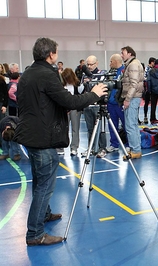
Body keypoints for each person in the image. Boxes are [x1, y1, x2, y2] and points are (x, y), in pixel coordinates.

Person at [13, 37, 108, 246]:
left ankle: (44, 214)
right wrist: (94, 94)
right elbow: (69, 101)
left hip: (31, 133)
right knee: (45, 186)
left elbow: (39, 103)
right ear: (51, 55)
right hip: (42, 137)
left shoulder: (28, 73)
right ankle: (35, 234)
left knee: (40, 181)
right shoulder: (48, 74)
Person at [80, 55, 107, 158]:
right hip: (87, 104)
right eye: (88, 64)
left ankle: (102, 148)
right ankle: (91, 147)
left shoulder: (102, 74)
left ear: (96, 63)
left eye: (91, 64)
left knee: (100, 129)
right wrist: (83, 84)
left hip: (98, 105)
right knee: (90, 128)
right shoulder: (84, 75)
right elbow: (81, 90)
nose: (89, 66)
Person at [120, 46, 144, 159]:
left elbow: (133, 84)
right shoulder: (132, 64)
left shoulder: (133, 65)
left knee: (130, 125)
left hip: (133, 98)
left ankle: (135, 150)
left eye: (123, 53)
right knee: (133, 125)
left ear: (129, 54)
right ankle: (136, 148)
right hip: (134, 97)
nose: (121, 55)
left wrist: (127, 99)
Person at [106, 54, 127, 153]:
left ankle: (128, 144)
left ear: (115, 61)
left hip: (120, 104)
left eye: (111, 61)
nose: (110, 64)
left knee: (126, 124)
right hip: (111, 103)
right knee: (112, 125)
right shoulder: (110, 73)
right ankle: (114, 144)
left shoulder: (124, 71)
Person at [60, 68, 83, 156]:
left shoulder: (77, 85)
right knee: (63, 128)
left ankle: (74, 148)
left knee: (75, 129)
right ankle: (60, 147)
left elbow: (80, 97)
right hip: (64, 109)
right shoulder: (61, 85)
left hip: (75, 109)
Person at [142, 57, 156, 124]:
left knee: (153, 104)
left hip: (153, 89)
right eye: (154, 62)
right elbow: (144, 78)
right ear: (152, 62)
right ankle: (145, 116)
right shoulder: (147, 69)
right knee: (146, 103)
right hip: (147, 89)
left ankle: (152, 117)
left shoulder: (154, 69)